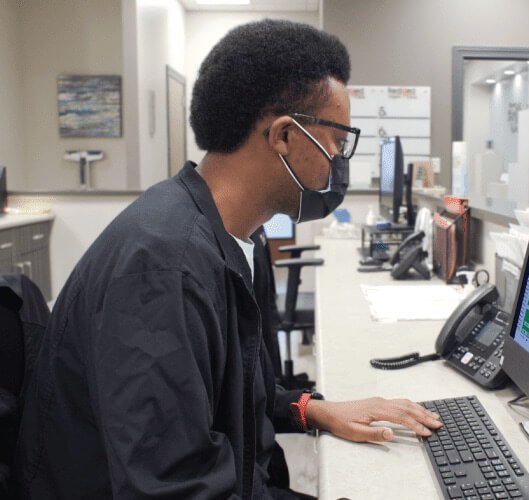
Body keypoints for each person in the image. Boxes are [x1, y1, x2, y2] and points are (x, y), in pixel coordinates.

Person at [15, 19, 441, 499]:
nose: (337, 162)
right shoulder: (165, 268)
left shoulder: (237, 238)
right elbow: (175, 489)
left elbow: (228, 393)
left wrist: (310, 409)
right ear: (284, 137)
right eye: (337, 143)